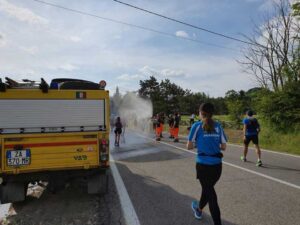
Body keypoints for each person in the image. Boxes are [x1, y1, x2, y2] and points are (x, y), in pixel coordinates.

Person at [187, 103, 227, 225]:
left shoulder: (197, 126)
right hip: (217, 167)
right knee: (207, 190)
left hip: (203, 166)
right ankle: (198, 210)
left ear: (200, 112)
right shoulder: (218, 126)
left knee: (211, 196)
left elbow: (189, 146)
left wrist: (200, 144)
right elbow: (224, 147)